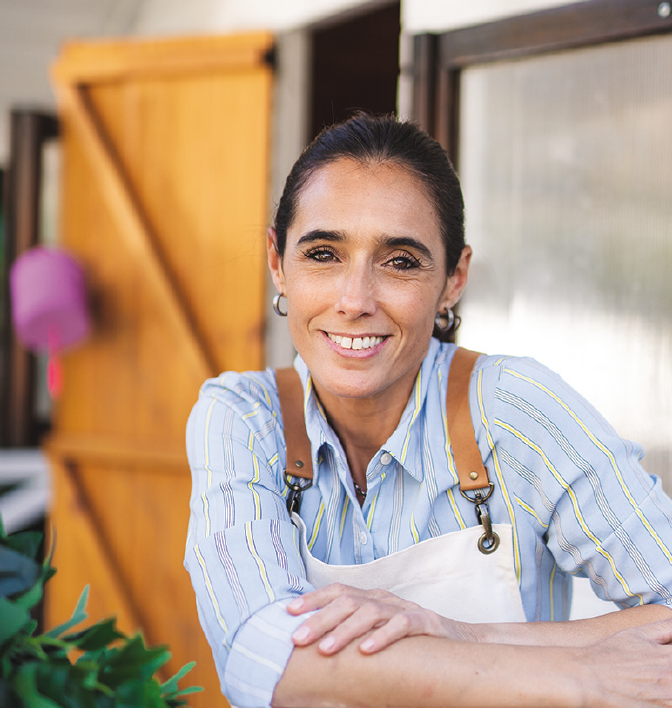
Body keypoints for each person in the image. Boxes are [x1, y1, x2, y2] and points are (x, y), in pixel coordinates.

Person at [185, 113, 672, 708]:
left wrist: (464, 633)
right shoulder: (243, 417)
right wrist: (577, 675)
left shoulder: (515, 410)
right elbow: (261, 655)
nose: (355, 301)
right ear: (277, 262)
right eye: (323, 253)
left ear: (453, 279)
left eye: (400, 261)